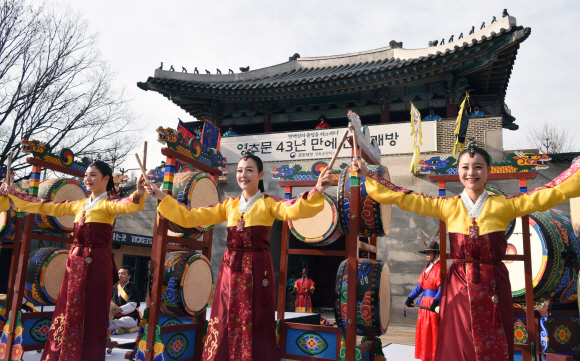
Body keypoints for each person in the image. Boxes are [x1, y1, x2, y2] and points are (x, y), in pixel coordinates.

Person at [352, 139, 580, 361]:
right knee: (458, 344)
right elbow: (405, 197)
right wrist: (367, 175)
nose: (472, 173)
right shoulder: (448, 206)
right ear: (458, 171)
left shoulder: (505, 204)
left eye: (478, 167)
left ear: (488, 171)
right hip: (460, 286)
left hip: (494, 285)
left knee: (496, 343)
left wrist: (576, 170)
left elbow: (547, 193)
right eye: (465, 167)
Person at [144, 151, 333, 361]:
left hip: (258, 268)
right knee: (224, 316)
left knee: (258, 318)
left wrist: (318, 189)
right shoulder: (228, 204)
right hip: (230, 269)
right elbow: (191, 216)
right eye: (240, 171)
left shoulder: (269, 203)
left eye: (250, 170)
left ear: (261, 175)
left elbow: (294, 208)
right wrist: (161, 196)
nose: (244, 175)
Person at [1, 160, 147, 361]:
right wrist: (14, 193)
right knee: (66, 309)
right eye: (86, 175)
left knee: (93, 313)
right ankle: (60, 355)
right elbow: (45, 206)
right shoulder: (78, 205)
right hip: (75, 265)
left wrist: (138, 193)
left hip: (97, 265)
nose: (87, 178)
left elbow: (130, 204)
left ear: (106, 179)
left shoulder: (109, 204)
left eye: (93, 175)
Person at [405, 236, 441, 361]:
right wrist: (410, 297)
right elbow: (420, 287)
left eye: (429, 253)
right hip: (424, 304)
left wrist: (436, 301)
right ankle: (426, 356)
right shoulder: (427, 269)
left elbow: (442, 288)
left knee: (433, 331)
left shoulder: (439, 268)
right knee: (424, 330)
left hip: (433, 305)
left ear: (436, 254)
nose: (426, 255)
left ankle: (435, 356)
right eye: (426, 253)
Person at [109, 265, 141, 335]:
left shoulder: (132, 289)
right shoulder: (114, 289)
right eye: (119, 274)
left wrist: (120, 309)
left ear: (129, 276)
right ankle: (120, 330)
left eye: (123, 274)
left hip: (131, 318)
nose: (120, 275)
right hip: (114, 317)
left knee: (122, 321)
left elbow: (132, 305)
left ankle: (110, 330)